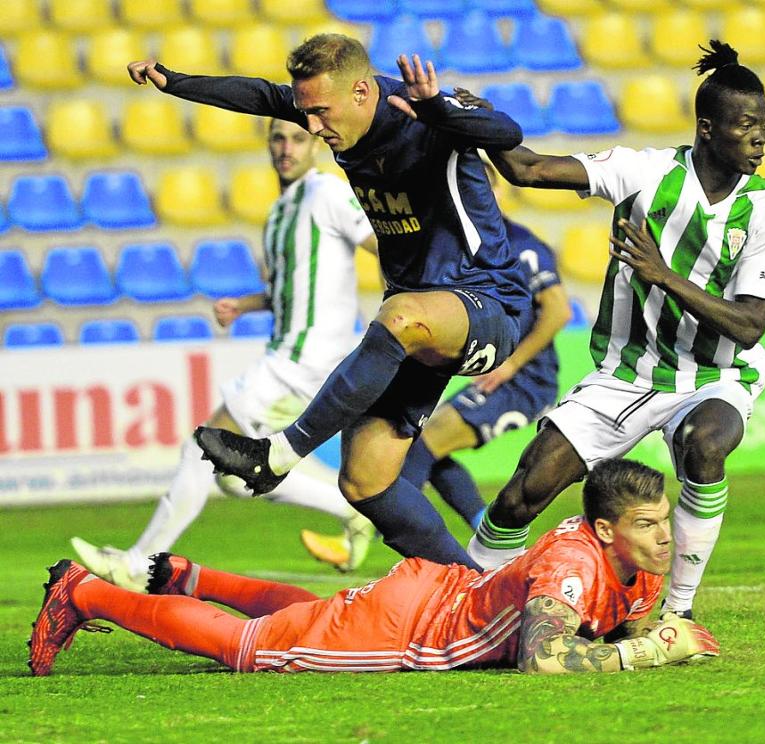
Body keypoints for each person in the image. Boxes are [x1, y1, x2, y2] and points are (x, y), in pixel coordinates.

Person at [128, 34, 532, 566]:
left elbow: (508, 132)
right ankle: (472, 594)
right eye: (306, 114)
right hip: (419, 320)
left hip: (487, 304)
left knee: (401, 315)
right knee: (364, 481)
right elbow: (258, 95)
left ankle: (278, 453)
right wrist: (174, 81)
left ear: (362, 92)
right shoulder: (335, 118)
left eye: (320, 112)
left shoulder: (419, 115)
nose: (313, 128)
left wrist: (437, 109)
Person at [460, 40, 765, 619]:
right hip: (628, 375)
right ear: (708, 129)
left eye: (764, 126)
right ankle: (465, 606)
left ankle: (678, 613)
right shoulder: (644, 173)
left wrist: (663, 276)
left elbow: (749, 326)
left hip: (715, 374)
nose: (760, 138)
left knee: (705, 445)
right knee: (521, 496)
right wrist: (479, 122)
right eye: (745, 126)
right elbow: (529, 169)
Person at [29, 459, 720, 676]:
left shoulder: (638, 564)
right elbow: (542, 659)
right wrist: (652, 652)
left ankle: (188, 574)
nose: (667, 536)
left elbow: (595, 632)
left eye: (664, 522)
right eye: (650, 525)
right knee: (251, 649)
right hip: (413, 628)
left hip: (435, 593)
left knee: (308, 619)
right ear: (606, 531)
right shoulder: (573, 564)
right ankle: (86, 592)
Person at [70, 119, 379, 590]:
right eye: (277, 138)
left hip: (306, 361)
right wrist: (246, 305)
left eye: (297, 138)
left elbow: (380, 244)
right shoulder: (279, 214)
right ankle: (352, 511)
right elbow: (288, 289)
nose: (285, 148)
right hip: (287, 355)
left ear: (316, 145)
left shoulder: (327, 194)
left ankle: (138, 563)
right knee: (235, 472)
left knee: (204, 444)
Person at [301, 209, 572, 569]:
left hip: (524, 381)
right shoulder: (464, 246)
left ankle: (377, 548)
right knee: (429, 450)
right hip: (492, 372)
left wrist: (513, 364)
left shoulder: (522, 245)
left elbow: (559, 311)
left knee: (419, 449)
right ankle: (488, 548)